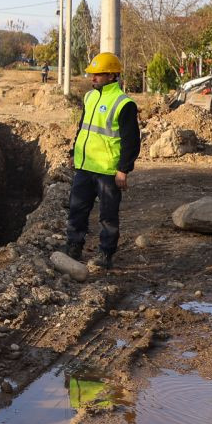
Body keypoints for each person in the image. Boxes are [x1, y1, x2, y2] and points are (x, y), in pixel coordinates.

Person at [66, 52, 141, 269]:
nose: (93, 78)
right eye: (92, 74)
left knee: (107, 215)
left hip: (108, 171)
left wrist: (123, 170)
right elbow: (83, 129)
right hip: (85, 166)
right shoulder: (89, 97)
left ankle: (105, 254)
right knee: (77, 209)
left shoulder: (123, 103)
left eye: (98, 75)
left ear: (111, 75)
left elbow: (131, 141)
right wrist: (74, 153)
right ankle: (73, 246)